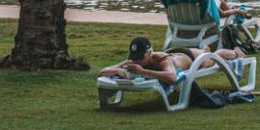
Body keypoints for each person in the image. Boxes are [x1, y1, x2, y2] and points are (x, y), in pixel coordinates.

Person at [97, 35, 247, 87]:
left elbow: (172, 77)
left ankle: (236, 52)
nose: (138, 61)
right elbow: (102, 72)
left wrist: (143, 72)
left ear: (149, 53)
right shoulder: (134, 59)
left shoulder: (163, 60)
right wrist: (118, 70)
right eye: (135, 57)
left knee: (214, 56)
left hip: (191, 58)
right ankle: (205, 49)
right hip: (175, 53)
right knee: (207, 53)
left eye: (140, 58)